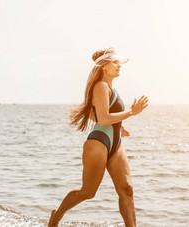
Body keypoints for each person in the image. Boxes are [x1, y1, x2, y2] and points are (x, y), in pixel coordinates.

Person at [48, 47, 148, 227]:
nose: (119, 66)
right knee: (88, 191)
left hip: (115, 144)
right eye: (115, 63)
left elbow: (96, 115)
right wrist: (131, 112)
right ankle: (56, 217)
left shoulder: (110, 88)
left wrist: (120, 126)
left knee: (127, 189)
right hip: (99, 143)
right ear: (104, 66)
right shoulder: (100, 86)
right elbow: (103, 118)